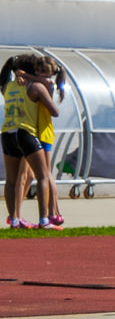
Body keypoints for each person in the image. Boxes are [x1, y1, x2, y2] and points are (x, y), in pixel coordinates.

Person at [1, 54, 61, 230]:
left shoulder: (7, 86)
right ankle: (44, 220)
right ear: (31, 70)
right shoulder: (34, 87)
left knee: (11, 180)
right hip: (26, 132)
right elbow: (55, 111)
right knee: (42, 175)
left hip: (7, 133)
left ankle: (14, 220)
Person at [17, 55, 66, 226]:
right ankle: (49, 212)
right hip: (37, 130)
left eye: (44, 72)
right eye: (37, 71)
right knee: (37, 174)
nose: (40, 74)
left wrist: (28, 75)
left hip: (43, 131)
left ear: (51, 74)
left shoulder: (46, 84)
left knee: (46, 174)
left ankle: (54, 212)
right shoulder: (38, 83)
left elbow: (43, 82)